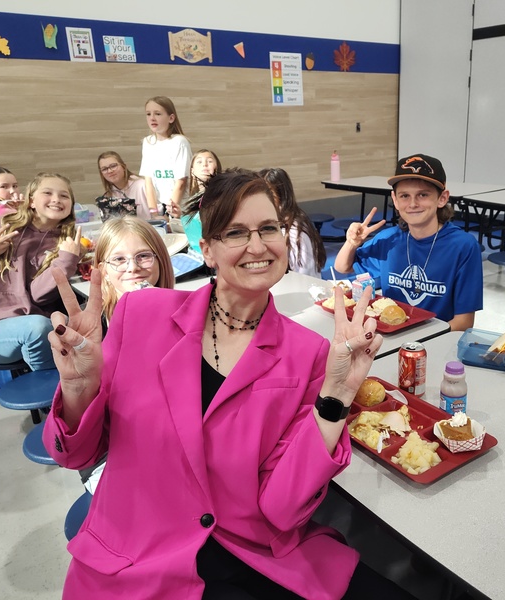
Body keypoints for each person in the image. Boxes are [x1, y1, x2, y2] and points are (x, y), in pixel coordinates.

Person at [43, 170, 417, 599]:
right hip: (140, 556)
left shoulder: (309, 353)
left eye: (268, 228)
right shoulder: (141, 315)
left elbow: (282, 508)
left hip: (251, 555)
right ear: (207, 249)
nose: (257, 246)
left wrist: (337, 395)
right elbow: (76, 454)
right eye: (235, 232)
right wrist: (79, 388)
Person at [78, 215, 176, 494]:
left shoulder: (181, 315)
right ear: (102, 270)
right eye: (118, 260)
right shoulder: (93, 326)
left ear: (160, 261)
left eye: (144, 256)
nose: (133, 267)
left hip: (169, 441)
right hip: (112, 451)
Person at [334, 153, 483, 331]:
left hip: (436, 339)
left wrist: (415, 343)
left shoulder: (462, 246)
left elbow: (464, 322)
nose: (412, 204)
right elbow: (342, 267)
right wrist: (351, 243)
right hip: (391, 334)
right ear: (395, 200)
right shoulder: (388, 240)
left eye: (423, 195)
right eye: (404, 196)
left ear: (442, 198)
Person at [0, 172, 81, 370]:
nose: (56, 199)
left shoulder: (65, 243)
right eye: (48, 192)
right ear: (31, 201)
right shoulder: (0, 225)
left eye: (64, 196)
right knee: (39, 328)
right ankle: (50, 390)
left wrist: (67, 260)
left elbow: (38, 296)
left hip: (41, 323)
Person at [261, 167, 327, 277]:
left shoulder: (295, 230)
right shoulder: (273, 221)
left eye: (269, 193)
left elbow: (304, 273)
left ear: (282, 195)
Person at [139, 96, 191, 219]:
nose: (152, 118)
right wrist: (154, 213)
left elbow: (181, 182)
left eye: (157, 114)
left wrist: (169, 214)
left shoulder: (179, 142)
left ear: (171, 118)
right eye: (148, 114)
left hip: (179, 207)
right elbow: (148, 181)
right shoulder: (148, 142)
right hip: (160, 207)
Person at [96, 151, 151, 220]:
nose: (110, 171)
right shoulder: (108, 196)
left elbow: (160, 214)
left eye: (113, 166)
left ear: (123, 166)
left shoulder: (142, 185)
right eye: (104, 169)